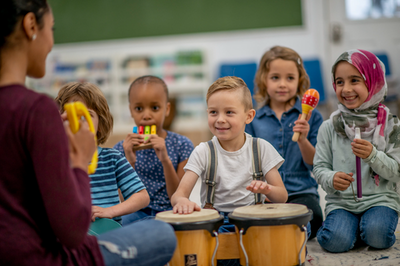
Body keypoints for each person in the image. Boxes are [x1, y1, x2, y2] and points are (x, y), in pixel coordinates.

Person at [0, 1, 176, 265]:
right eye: (52, 28)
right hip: (41, 256)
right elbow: (72, 232)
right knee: (162, 234)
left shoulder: (109, 156)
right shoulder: (35, 109)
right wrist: (79, 161)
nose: (51, 43)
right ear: (31, 25)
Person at [313, 49, 400, 253]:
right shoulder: (329, 126)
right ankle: (354, 231)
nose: (346, 89)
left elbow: (396, 171)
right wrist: (331, 178)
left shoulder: (391, 126)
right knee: (333, 242)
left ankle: (363, 230)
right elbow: (319, 167)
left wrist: (373, 155)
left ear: (373, 82)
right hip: (342, 203)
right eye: (340, 82)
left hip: (381, 200)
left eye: (355, 80)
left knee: (378, 236)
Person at [245, 46, 324, 239]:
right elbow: (246, 159)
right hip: (266, 192)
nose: (282, 84)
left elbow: (314, 164)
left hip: (301, 189)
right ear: (264, 79)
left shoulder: (312, 117)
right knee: (251, 224)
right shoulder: (253, 119)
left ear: (300, 81)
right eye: (275, 78)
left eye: (290, 78)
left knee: (312, 219)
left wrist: (303, 140)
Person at [55, 82, 150, 225]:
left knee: (157, 225)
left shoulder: (112, 158)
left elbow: (142, 197)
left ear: (100, 125)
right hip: (73, 236)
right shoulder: (53, 161)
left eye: (88, 116)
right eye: (72, 115)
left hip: (108, 234)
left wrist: (110, 211)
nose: (80, 122)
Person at [113, 75, 194, 224]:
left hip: (171, 212)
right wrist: (129, 161)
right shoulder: (120, 149)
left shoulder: (182, 144)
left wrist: (165, 160)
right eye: (138, 108)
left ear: (167, 109)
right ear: (131, 110)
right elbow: (122, 201)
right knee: (117, 225)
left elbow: (178, 198)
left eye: (155, 108)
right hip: (134, 214)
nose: (146, 116)